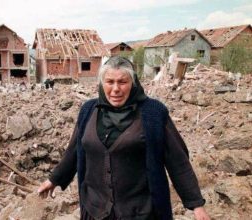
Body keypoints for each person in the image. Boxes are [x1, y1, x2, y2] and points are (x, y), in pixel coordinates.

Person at [38, 56, 210, 220]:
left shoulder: (153, 113)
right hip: (95, 209)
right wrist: (55, 179)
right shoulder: (88, 110)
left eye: (122, 82)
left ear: (133, 83)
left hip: (140, 212)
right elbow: (75, 150)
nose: (115, 89)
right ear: (101, 83)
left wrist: (196, 204)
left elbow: (177, 160)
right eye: (110, 82)